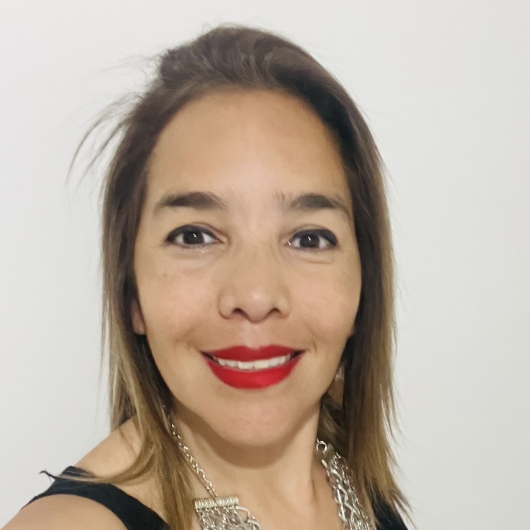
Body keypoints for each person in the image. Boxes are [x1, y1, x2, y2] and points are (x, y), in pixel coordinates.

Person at [4, 25, 409, 530]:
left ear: (363, 284)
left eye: (309, 239)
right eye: (195, 236)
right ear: (132, 292)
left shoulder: (347, 473)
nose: (255, 295)